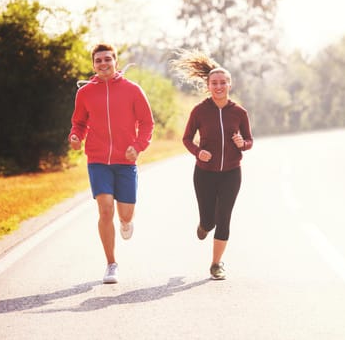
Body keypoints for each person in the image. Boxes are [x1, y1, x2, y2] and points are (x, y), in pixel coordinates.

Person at [68, 43, 154, 284]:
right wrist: (75, 137)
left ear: (116, 61)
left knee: (125, 214)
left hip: (125, 161)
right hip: (97, 160)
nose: (103, 64)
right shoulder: (84, 93)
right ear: (93, 65)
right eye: (98, 61)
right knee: (105, 208)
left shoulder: (132, 90)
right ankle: (111, 264)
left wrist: (137, 147)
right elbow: (79, 123)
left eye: (107, 59)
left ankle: (126, 222)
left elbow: (147, 123)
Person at [170, 50, 253, 280]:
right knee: (209, 219)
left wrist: (242, 143)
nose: (219, 86)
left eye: (223, 82)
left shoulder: (239, 112)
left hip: (231, 174)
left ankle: (216, 264)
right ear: (208, 85)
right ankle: (204, 224)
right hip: (204, 174)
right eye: (214, 83)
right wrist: (199, 152)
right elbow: (186, 139)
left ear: (229, 84)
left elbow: (249, 141)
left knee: (224, 217)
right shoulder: (199, 111)